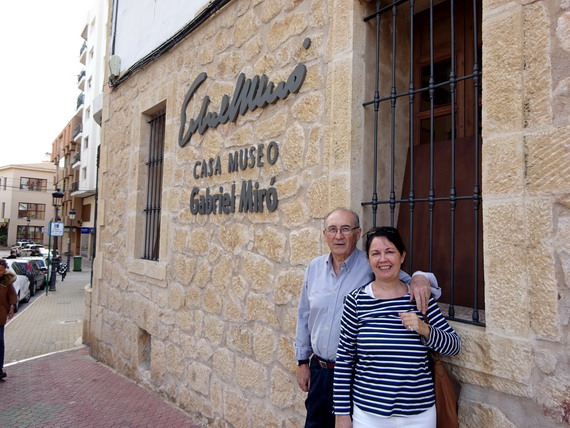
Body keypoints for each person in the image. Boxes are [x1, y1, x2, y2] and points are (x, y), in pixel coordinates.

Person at [295, 209, 441, 428]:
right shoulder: (314, 268)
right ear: (324, 233)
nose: (339, 236)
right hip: (320, 372)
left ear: (357, 233)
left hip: (355, 376)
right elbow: (304, 315)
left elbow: (407, 282)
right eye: (332, 229)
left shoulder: (372, 263)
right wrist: (302, 361)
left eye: (346, 229)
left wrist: (423, 277)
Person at [333, 226, 461, 428]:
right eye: (376, 253)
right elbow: (344, 360)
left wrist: (425, 329)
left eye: (390, 252)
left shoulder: (419, 297)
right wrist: (341, 414)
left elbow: (454, 346)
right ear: (369, 260)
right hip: (368, 415)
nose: (383, 259)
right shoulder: (355, 301)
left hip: (418, 415)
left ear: (402, 256)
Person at [0, 258, 18, 380]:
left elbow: (12, 295)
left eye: (1, 270)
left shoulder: (6, 281)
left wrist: (12, 306)